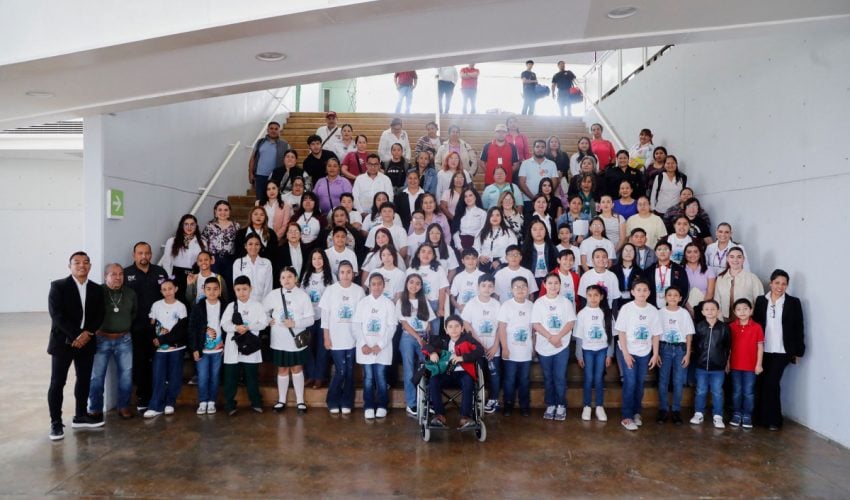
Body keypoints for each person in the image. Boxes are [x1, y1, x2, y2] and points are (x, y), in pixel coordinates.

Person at [47, 252, 106, 440]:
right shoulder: (58, 286)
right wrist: (76, 334)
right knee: (58, 382)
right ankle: (56, 423)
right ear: (70, 266)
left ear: (90, 266)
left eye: (86, 262)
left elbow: (100, 314)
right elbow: (56, 315)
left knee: (84, 379)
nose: (82, 265)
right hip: (63, 342)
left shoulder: (97, 289)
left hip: (86, 342)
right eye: (77, 262)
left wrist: (87, 333)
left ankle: (80, 415)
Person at [753, 269, 805, 431]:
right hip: (763, 349)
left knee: (772, 383)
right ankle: (760, 418)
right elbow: (756, 325)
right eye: (777, 283)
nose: (780, 287)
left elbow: (799, 327)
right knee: (761, 382)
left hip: (783, 350)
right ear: (771, 283)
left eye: (784, 284)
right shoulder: (761, 301)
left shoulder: (793, 302)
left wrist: (798, 351)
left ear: (787, 285)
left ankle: (774, 420)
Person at [88, 263, 137, 423]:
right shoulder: (98, 292)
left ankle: (123, 406)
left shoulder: (130, 293)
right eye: (113, 274)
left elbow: (134, 313)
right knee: (96, 376)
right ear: (105, 276)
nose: (118, 277)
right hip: (101, 339)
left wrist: (123, 326)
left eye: (121, 274)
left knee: (126, 375)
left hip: (124, 339)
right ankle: (95, 409)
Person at [123, 242, 169, 413]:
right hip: (136, 327)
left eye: (147, 253)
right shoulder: (126, 274)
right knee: (140, 362)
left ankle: (159, 396)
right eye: (140, 253)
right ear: (134, 255)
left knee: (159, 362)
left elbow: (167, 295)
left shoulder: (160, 272)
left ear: (151, 254)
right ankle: (143, 397)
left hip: (158, 327)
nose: (144, 256)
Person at [264, 267, 314, 414]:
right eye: (283, 277)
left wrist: (295, 323)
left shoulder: (303, 296)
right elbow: (262, 311)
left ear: (296, 278)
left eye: (290, 276)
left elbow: (311, 319)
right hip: (279, 340)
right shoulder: (273, 295)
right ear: (280, 280)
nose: (286, 280)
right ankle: (281, 400)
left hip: (295, 339)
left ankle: (300, 401)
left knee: (297, 368)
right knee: (282, 369)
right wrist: (268, 320)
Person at [615, 279, 662, 431]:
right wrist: (626, 354)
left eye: (645, 290)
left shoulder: (653, 310)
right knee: (630, 383)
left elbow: (656, 334)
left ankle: (636, 413)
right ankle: (626, 417)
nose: (642, 293)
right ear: (632, 292)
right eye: (638, 290)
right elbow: (621, 332)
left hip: (645, 352)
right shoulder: (626, 308)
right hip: (628, 352)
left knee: (640, 384)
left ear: (649, 293)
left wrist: (655, 354)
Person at [318, 261, 364, 414]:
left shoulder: (359, 291)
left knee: (350, 371)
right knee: (341, 370)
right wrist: (326, 336)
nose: (345, 275)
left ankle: (347, 401)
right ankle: (332, 400)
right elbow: (325, 317)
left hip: (353, 338)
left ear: (353, 274)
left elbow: (362, 316)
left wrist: (361, 338)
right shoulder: (331, 290)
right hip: (336, 338)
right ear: (338, 274)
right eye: (342, 272)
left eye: (349, 272)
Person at [424, 315, 485, 428]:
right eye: (450, 327)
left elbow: (480, 350)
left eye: (457, 326)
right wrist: (432, 352)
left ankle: (464, 417)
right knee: (433, 381)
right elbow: (425, 347)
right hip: (446, 373)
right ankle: (439, 416)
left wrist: (463, 358)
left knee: (468, 381)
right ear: (446, 330)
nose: (454, 329)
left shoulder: (467, 339)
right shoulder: (442, 340)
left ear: (462, 328)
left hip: (463, 372)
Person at [221, 275, 269, 416]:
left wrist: (249, 327)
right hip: (233, 348)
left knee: (252, 377)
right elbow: (224, 324)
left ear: (250, 289)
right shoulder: (231, 306)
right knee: (231, 378)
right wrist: (236, 328)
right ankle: (229, 404)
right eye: (238, 289)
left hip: (251, 347)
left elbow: (264, 323)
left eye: (244, 289)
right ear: (234, 290)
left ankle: (256, 402)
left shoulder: (257, 306)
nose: (241, 292)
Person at [532, 273, 576, 421]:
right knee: (548, 377)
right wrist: (551, 337)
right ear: (544, 284)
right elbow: (536, 324)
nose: (553, 286)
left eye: (556, 283)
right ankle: (550, 404)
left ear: (560, 285)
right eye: (550, 283)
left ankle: (561, 404)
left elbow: (570, 322)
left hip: (562, 346)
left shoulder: (566, 302)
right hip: (544, 345)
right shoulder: (539, 302)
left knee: (560, 377)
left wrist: (558, 337)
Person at [354, 273, 397, 419]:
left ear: (384, 286)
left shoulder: (388, 304)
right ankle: (368, 406)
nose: (376, 287)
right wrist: (363, 344)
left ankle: (382, 405)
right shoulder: (363, 303)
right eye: (373, 284)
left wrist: (380, 345)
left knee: (381, 377)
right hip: (366, 348)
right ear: (369, 286)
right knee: (368, 378)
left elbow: (392, 327)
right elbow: (356, 325)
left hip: (382, 349)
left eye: (379, 284)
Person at [143, 278, 188, 418]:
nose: (167, 292)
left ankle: (170, 403)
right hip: (159, 349)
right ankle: (155, 406)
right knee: (158, 376)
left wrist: (163, 339)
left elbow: (180, 329)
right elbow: (151, 324)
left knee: (174, 376)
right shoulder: (156, 305)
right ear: (161, 291)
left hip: (176, 348)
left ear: (176, 289)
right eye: (164, 289)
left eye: (170, 288)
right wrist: (154, 339)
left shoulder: (181, 306)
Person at [397, 273, 436, 416]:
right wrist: (418, 337)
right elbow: (404, 323)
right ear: (406, 283)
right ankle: (412, 403)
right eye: (411, 282)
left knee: (426, 369)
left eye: (418, 283)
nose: (414, 285)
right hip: (408, 338)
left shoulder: (423, 299)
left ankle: (427, 401)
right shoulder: (401, 300)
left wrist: (425, 338)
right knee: (409, 370)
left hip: (423, 338)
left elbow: (429, 323)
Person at [462, 274, 502, 413]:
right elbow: (467, 324)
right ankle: (476, 399)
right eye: (484, 285)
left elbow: (500, 327)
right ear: (478, 287)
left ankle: (494, 399)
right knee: (477, 374)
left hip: (493, 349)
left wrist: (495, 345)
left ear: (494, 288)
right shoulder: (471, 303)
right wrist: (479, 345)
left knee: (494, 374)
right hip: (476, 348)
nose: (487, 288)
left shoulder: (496, 304)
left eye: (490, 286)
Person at [655, 287, 695, 425]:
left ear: (680, 298)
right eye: (670, 295)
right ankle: (663, 409)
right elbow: (656, 334)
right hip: (664, 348)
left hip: (680, 349)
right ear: (665, 297)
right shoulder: (660, 313)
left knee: (678, 381)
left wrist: (688, 354)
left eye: (676, 295)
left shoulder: (684, 313)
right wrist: (656, 353)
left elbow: (689, 335)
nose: (673, 297)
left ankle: (676, 410)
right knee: (663, 380)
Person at [574, 285, 614, 422]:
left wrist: (609, 354)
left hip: (602, 349)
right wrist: (579, 355)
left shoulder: (606, 313)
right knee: (588, 378)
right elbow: (579, 336)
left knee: (598, 378)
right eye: (590, 295)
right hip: (587, 350)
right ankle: (586, 406)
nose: (593, 298)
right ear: (586, 296)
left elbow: (611, 335)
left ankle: (599, 406)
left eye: (596, 295)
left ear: (601, 297)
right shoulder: (582, 313)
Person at [690, 300, 731, 429]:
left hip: (718, 367)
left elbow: (728, 347)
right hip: (701, 366)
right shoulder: (699, 326)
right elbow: (695, 344)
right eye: (707, 309)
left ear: (718, 311)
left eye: (713, 309)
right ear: (702, 312)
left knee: (717, 391)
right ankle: (698, 413)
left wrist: (727, 362)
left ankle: (718, 416)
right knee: (700, 390)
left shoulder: (724, 328)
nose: (710, 311)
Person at [188, 277, 226, 415]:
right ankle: (203, 401)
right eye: (208, 289)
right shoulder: (198, 307)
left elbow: (228, 327)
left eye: (215, 289)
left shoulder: (225, 306)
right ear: (204, 290)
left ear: (220, 290)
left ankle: (211, 402)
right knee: (203, 377)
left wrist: (226, 345)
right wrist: (194, 348)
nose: (212, 292)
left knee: (215, 377)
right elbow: (192, 329)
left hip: (218, 349)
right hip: (202, 349)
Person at [497, 276, 534, 416]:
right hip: (510, 351)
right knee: (509, 379)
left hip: (526, 351)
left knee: (524, 379)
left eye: (523, 286)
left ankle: (525, 406)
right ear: (511, 289)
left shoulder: (532, 306)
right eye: (517, 287)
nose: (520, 289)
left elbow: (534, 329)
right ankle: (508, 404)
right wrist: (505, 348)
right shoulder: (506, 306)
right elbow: (501, 329)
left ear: (528, 289)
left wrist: (533, 347)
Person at [302, 249, 337, 389]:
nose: (317, 261)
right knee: (307, 346)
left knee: (323, 348)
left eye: (320, 258)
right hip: (309, 317)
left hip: (324, 317)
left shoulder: (331, 276)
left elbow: (333, 298)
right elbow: (302, 296)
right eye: (314, 258)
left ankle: (320, 377)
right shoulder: (306, 275)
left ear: (324, 260)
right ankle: (310, 375)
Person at [728, 298, 764, 429]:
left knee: (748, 392)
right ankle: (737, 413)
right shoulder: (731, 327)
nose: (742, 312)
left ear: (751, 310)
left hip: (751, 367)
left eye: (745, 309)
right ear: (734, 312)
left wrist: (759, 364)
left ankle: (747, 415)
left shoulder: (757, 327)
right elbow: (728, 348)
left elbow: (760, 347)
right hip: (735, 366)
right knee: (736, 391)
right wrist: (727, 363)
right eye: (738, 309)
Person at [407, 244, 449, 338]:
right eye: (423, 251)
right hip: (415, 305)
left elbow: (442, 290)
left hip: (433, 304)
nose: (426, 254)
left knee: (433, 334)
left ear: (433, 256)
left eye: (429, 252)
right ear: (418, 254)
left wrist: (440, 308)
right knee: (417, 332)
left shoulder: (438, 269)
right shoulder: (411, 270)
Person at [160, 214, 205, 305]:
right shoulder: (172, 241)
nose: (189, 227)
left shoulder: (202, 242)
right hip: (177, 275)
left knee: (193, 302)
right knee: (178, 302)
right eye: (186, 224)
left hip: (194, 275)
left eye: (192, 224)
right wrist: (169, 279)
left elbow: (204, 262)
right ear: (182, 225)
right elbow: (167, 262)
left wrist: (201, 277)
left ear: (196, 226)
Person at [714, 247, 764, 322]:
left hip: (745, 322)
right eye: (732, 257)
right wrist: (720, 322)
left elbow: (760, 302)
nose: (735, 260)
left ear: (743, 259)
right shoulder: (720, 279)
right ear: (727, 259)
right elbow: (717, 301)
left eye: (739, 257)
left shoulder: (752, 278)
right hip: (725, 321)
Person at [201, 200, 240, 287]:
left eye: (226, 210)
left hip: (230, 260)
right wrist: (208, 257)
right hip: (214, 260)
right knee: (215, 284)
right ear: (215, 212)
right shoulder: (209, 226)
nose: (223, 212)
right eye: (220, 210)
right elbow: (203, 242)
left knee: (229, 284)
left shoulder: (236, 226)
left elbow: (239, 244)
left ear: (229, 212)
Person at [248, 121, 290, 199]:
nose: (273, 130)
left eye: (276, 129)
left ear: (279, 131)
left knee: (276, 200)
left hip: (277, 177)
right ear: (267, 130)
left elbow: (289, 160)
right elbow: (253, 158)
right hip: (260, 177)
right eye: (271, 128)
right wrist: (250, 173)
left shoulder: (285, 144)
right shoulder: (260, 142)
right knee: (260, 199)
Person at [645, 240, 689, 309]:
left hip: (673, 308)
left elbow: (685, 290)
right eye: (659, 249)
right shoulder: (648, 271)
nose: (662, 252)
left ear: (671, 252)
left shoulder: (679, 270)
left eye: (665, 249)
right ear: (655, 253)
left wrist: (677, 307)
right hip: (652, 309)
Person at [518, 140, 558, 212]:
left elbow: (554, 182)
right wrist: (534, 198)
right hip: (528, 200)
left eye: (542, 147)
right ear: (533, 149)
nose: (540, 149)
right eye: (537, 147)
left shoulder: (552, 164)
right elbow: (521, 183)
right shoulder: (525, 163)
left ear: (545, 149)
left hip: (546, 201)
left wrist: (544, 198)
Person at [474, 207, 517, 273]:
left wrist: (500, 261)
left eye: (497, 215)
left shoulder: (509, 232)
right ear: (488, 217)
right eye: (492, 215)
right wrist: (479, 256)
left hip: (502, 263)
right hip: (484, 263)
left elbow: (513, 250)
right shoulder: (482, 232)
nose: (495, 218)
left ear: (501, 217)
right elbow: (476, 247)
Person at [233, 233, 273, 303]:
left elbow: (268, 287)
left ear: (260, 246)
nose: (253, 247)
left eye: (257, 244)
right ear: (245, 246)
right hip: (244, 302)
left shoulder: (266, 263)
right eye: (250, 244)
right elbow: (237, 287)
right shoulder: (238, 263)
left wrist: (265, 304)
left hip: (263, 302)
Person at [521, 218, 558, 289]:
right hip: (531, 281)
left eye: (541, 229)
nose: (538, 232)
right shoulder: (525, 248)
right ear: (530, 232)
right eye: (535, 229)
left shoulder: (552, 247)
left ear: (546, 231)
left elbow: (557, 266)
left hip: (549, 281)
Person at [682, 243, 716, 319]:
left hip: (704, 307)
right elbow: (680, 292)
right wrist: (690, 309)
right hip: (685, 306)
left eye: (695, 251)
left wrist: (701, 309)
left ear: (700, 253)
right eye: (689, 252)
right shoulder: (680, 270)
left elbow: (710, 293)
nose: (692, 254)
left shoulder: (709, 270)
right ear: (685, 254)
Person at [450, 248, 485, 313]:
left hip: (477, 312)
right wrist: (458, 307)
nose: (470, 261)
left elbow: (486, 296)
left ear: (477, 260)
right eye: (467, 258)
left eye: (473, 258)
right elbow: (452, 297)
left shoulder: (483, 276)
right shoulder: (458, 277)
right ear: (462, 261)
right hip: (461, 312)